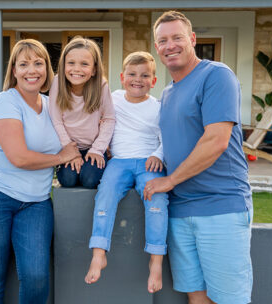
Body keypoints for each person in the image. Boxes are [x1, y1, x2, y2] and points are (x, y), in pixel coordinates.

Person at [144, 11, 253, 304]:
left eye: (177, 37)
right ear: (157, 48)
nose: (170, 45)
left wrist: (171, 180)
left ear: (192, 39)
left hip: (221, 207)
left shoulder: (216, 76)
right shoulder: (167, 92)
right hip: (180, 211)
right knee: (197, 298)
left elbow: (216, 141)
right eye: (162, 40)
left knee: (229, 300)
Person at [0, 39, 80, 304]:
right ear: (14, 71)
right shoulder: (6, 102)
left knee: (37, 276)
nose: (32, 70)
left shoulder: (53, 105)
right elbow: (19, 157)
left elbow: (80, 133)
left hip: (35, 202)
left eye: (39, 63)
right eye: (24, 64)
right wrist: (60, 157)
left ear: (47, 69)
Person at [84, 51, 169, 294]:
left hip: (148, 162)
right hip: (118, 162)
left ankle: (156, 260)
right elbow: (100, 122)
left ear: (153, 81)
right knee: (105, 195)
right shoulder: (113, 99)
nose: (137, 79)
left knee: (157, 199)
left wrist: (158, 155)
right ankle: (99, 253)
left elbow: (166, 139)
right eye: (132, 74)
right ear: (122, 77)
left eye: (145, 75)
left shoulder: (158, 108)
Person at [48, 37, 115, 189]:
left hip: (93, 145)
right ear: (63, 65)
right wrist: (70, 151)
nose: (76, 69)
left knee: (90, 180)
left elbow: (109, 119)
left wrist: (98, 149)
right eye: (71, 63)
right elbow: (56, 120)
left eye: (84, 64)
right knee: (68, 180)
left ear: (94, 69)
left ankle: (102, 164)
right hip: (68, 146)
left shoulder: (101, 85)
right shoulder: (57, 83)